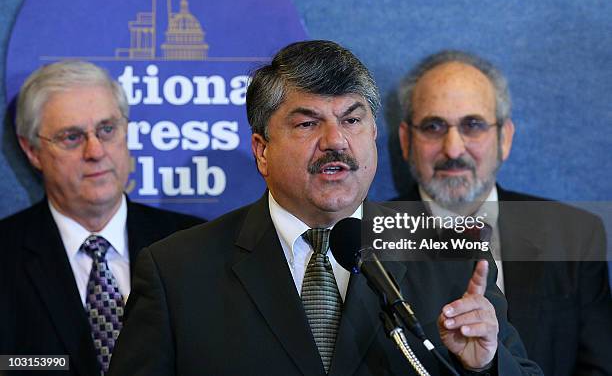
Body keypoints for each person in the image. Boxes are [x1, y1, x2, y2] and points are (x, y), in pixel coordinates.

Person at [108, 40, 541, 375]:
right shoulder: (177, 272)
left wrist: (484, 366)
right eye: (308, 123)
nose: (336, 141)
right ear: (262, 151)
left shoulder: (450, 255)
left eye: (352, 120)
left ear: (373, 134)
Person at [396, 50, 612, 375]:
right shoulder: (364, 237)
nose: (453, 148)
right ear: (406, 140)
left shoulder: (574, 235)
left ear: (505, 138)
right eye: (434, 126)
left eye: (473, 125)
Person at [0, 60, 203, 376]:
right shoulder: (6, 254)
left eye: (107, 129)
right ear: (32, 151)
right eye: (71, 137)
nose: (95, 151)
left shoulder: (196, 245)